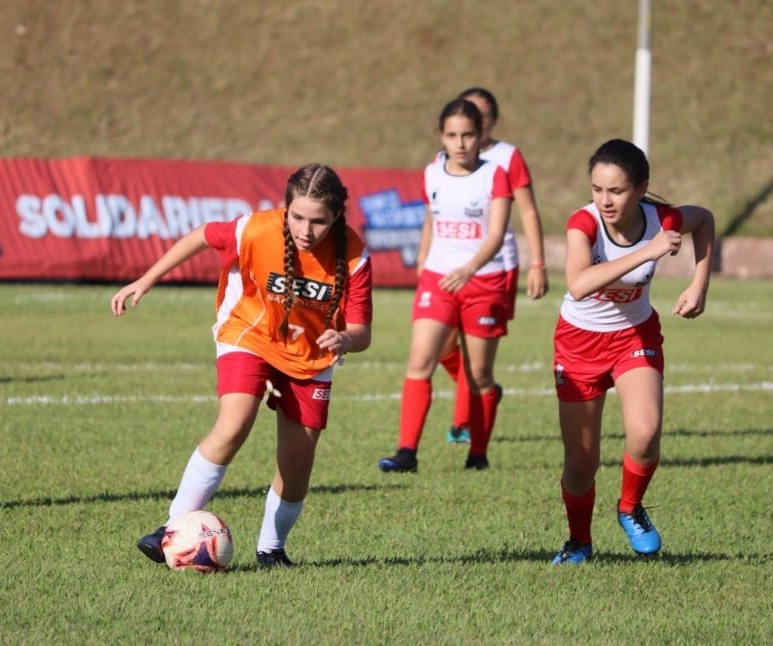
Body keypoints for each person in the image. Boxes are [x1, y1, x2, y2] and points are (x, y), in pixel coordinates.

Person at [112, 164, 372, 567]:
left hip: (309, 355)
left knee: (298, 461)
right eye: (297, 217)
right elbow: (202, 235)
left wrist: (345, 339)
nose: (306, 230)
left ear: (337, 216)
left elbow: (362, 332)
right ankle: (170, 529)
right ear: (285, 208)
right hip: (248, 333)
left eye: (319, 221)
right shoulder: (255, 228)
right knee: (234, 423)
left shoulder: (354, 257)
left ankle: (271, 549)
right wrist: (146, 279)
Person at [549, 139, 714, 565]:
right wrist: (649, 251)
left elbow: (705, 219)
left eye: (616, 191)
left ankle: (629, 507)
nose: (604, 200)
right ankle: (579, 543)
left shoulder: (664, 219)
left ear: (642, 188)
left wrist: (699, 284)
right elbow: (578, 284)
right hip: (579, 342)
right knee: (582, 462)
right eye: (597, 189)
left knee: (645, 435)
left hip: (634, 338)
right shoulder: (582, 224)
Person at [378, 98, 512, 473]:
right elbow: (430, 220)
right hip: (439, 279)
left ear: (480, 135)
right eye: (452, 135)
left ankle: (478, 455)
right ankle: (406, 453)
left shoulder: (495, 175)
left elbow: (497, 233)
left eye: (468, 135)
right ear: (441, 136)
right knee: (421, 359)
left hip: (483, 282)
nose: (461, 143)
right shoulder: (432, 173)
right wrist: (424, 260)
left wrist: (469, 268)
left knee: (479, 374)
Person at [435, 88, 548, 445]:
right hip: (451, 267)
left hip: (495, 267)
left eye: (480, 117)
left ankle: (464, 423)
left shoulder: (506, 157)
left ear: (491, 122)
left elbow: (527, 209)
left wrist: (538, 263)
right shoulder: (447, 158)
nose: (473, 123)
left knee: (475, 354)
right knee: (442, 347)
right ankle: (481, 394)